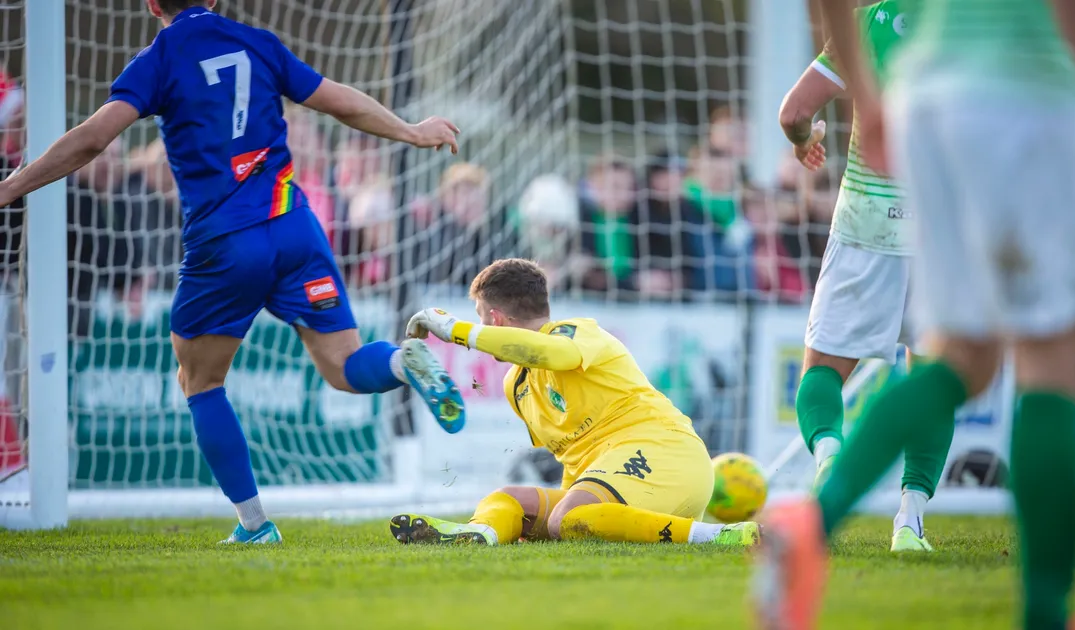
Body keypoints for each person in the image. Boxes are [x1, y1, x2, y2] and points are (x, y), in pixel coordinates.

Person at [0, 0, 466, 545]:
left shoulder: (158, 59)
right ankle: (403, 362)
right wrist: (411, 130)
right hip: (295, 225)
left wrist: (10, 187)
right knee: (344, 367)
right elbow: (340, 100)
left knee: (200, 380)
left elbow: (92, 139)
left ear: (152, 5)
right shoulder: (259, 43)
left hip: (225, 242)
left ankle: (255, 525)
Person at [752, 0, 1075, 628]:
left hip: (930, 109)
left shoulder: (884, 18)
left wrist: (868, 100)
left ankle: (816, 522)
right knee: (1049, 361)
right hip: (1031, 98)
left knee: (960, 360)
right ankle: (1042, 609)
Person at [390, 257, 760, 547]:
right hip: (617, 479)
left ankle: (718, 536)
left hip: (667, 454)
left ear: (494, 318)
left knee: (570, 518)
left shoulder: (578, 331)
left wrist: (459, 332)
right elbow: (574, 460)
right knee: (512, 500)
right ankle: (480, 533)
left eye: (480, 318)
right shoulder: (515, 384)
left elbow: (556, 355)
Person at [777, 0, 952, 552]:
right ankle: (910, 519)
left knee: (824, 367)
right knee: (934, 377)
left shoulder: (867, 22)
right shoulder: (974, 20)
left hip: (868, 220)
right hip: (945, 222)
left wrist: (805, 140)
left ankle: (830, 455)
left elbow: (792, 112)